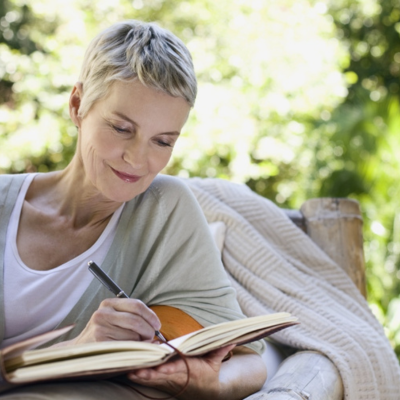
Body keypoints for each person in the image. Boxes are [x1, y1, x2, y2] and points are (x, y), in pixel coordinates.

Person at [0, 20, 267, 399]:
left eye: (162, 141)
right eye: (122, 128)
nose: (137, 159)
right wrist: (77, 351)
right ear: (77, 105)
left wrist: (207, 383)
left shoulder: (165, 211)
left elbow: (250, 361)